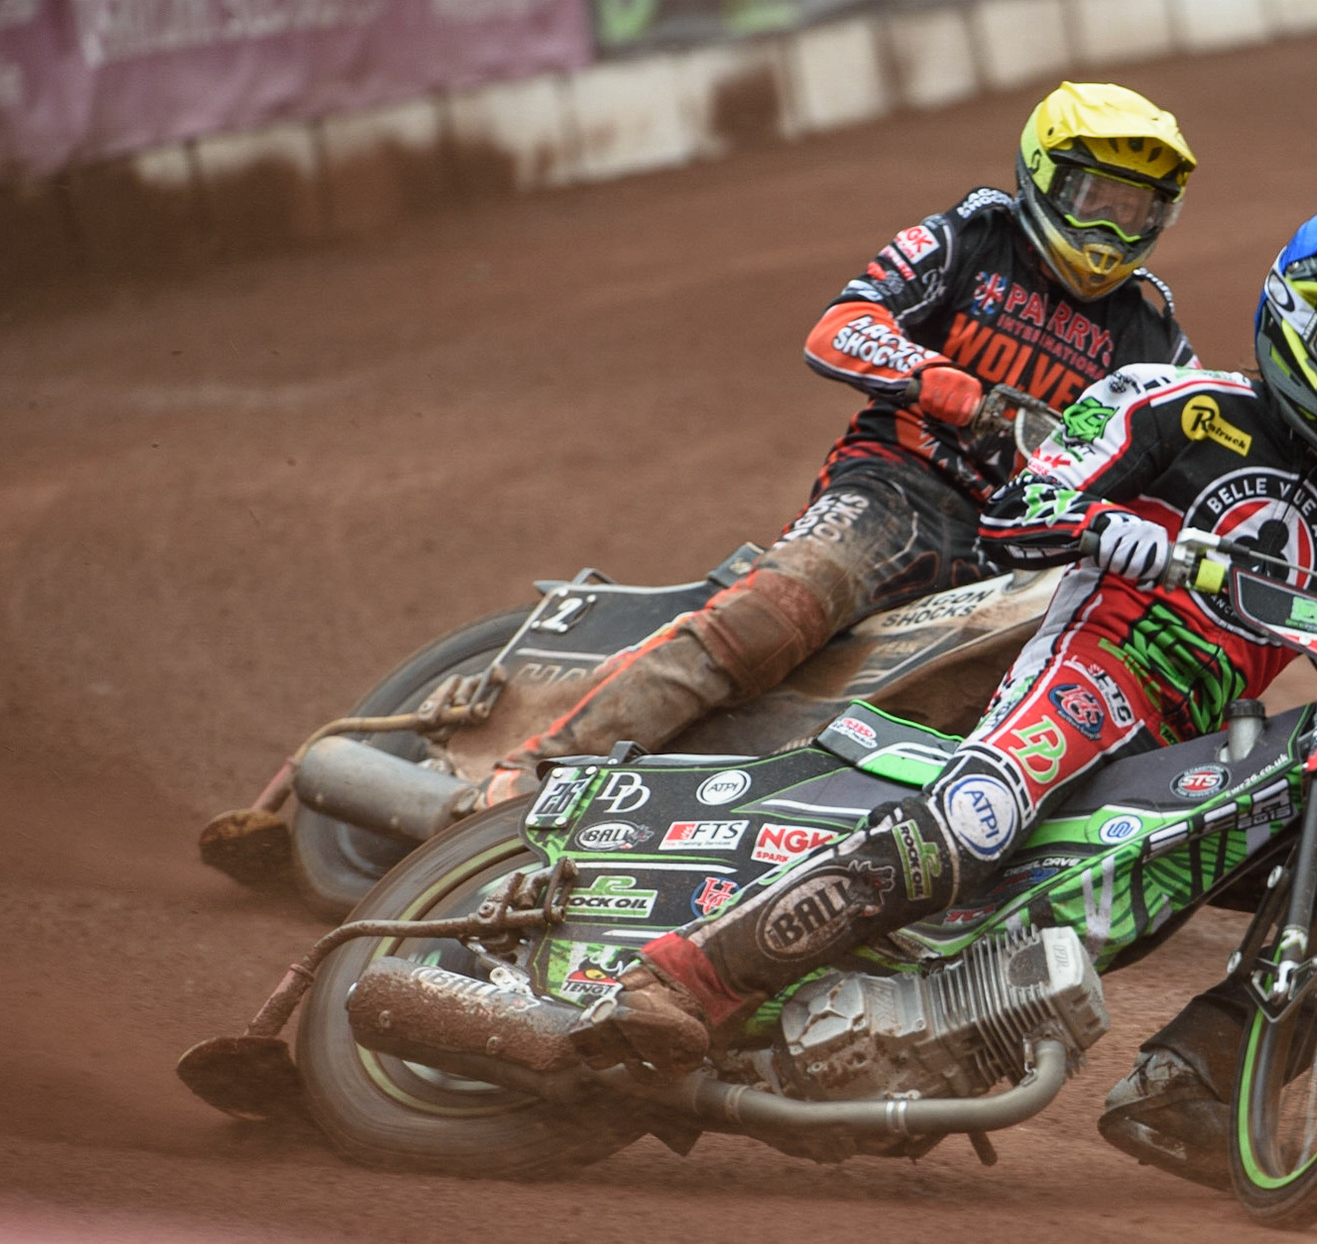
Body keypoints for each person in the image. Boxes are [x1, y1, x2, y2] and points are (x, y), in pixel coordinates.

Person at [566, 208, 1317, 1180]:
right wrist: (1100, 522)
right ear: (1295, 322)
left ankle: (1194, 1085)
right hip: (1097, 671)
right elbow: (1021, 502)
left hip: (1203, 743)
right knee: (975, 822)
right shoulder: (1171, 403)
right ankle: (687, 976)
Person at [481, 81, 1201, 805]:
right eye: (1095, 198)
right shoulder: (970, 239)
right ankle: (527, 777)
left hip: (1027, 549)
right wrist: (939, 381)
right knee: (768, 622)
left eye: (1133, 209)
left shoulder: (1154, 337)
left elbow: (1205, 458)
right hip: (896, 490)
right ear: (1046, 179)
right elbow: (841, 325)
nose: (1110, 228)